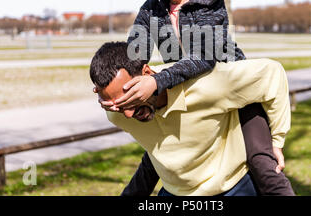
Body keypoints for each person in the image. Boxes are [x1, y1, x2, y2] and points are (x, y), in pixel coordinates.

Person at [99, 0, 295, 195]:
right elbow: (135, 55)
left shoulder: (209, 2)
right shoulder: (151, 9)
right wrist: (112, 83)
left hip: (232, 90)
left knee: (262, 164)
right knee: (159, 158)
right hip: (188, 95)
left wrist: (157, 81)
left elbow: (204, 58)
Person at [90, 42, 292, 196]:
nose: (127, 114)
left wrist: (277, 140)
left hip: (231, 187)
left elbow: (272, 74)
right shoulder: (115, 114)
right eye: (119, 105)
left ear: (147, 73)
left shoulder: (209, 84)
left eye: (131, 98)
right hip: (175, 192)